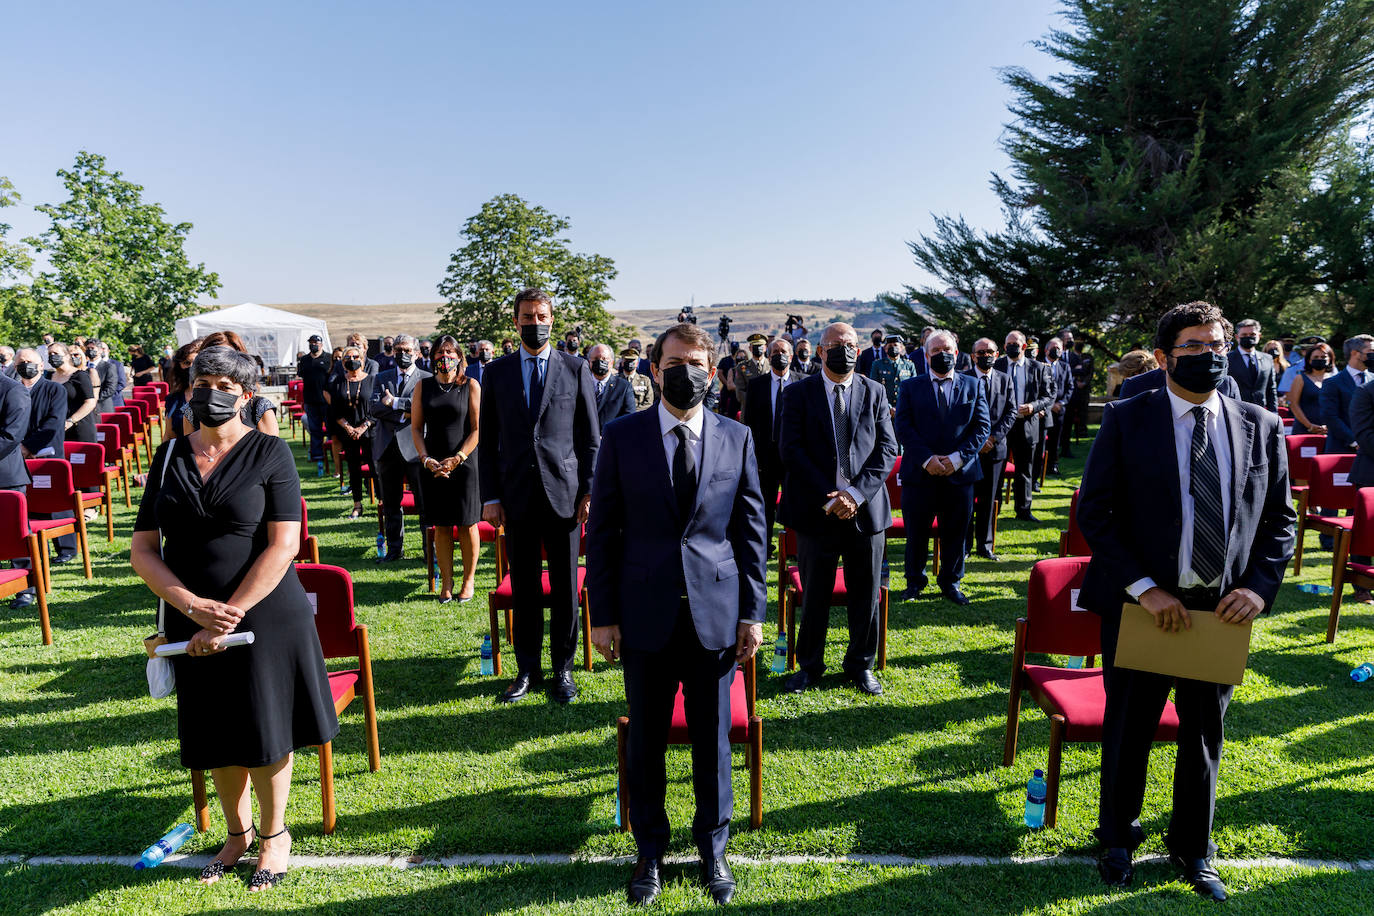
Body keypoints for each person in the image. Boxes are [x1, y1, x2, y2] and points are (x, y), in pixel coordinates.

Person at [1077, 301, 1295, 902]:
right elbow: (1095, 512)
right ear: (1167, 355)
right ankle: (1117, 838)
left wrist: (1257, 588)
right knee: (1130, 727)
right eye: (1194, 345)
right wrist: (1146, 590)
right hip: (1144, 606)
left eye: (1217, 343)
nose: (1210, 354)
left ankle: (1192, 848)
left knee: (1204, 734)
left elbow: (1279, 519)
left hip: (1220, 610)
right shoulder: (1128, 418)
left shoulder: (1260, 423)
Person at [130, 346, 340, 893]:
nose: (209, 394)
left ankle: (275, 836)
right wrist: (191, 607)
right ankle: (237, 833)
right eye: (202, 382)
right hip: (189, 615)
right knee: (214, 726)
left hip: (263, 614)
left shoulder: (272, 452)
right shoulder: (168, 454)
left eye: (223, 385)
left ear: (246, 397)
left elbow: (284, 544)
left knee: (266, 727)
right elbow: (144, 548)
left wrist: (228, 615)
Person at [586, 321, 767, 907]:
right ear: (654, 369)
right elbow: (603, 531)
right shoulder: (622, 436)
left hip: (715, 616)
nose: (683, 373)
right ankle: (650, 852)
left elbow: (751, 531)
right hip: (643, 617)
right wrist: (602, 614)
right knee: (646, 743)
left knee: (713, 743)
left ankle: (713, 851)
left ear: (711, 372)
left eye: (695, 363)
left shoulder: (736, 437)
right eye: (673, 363)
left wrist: (753, 612)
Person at [479, 289, 600, 704]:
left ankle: (563, 669)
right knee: (525, 587)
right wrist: (491, 496)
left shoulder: (575, 367)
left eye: (542, 315)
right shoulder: (496, 373)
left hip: (565, 496)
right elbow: (488, 440)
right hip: (516, 497)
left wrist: (588, 489)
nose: (536, 322)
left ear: (553, 318)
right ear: (515, 321)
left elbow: (589, 438)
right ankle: (527, 668)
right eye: (528, 315)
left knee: (566, 588)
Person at [778, 322, 897, 696]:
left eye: (849, 344)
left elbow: (887, 450)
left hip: (865, 510)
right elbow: (791, 450)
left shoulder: (874, 391)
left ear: (858, 350)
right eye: (834, 344)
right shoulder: (797, 394)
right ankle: (809, 665)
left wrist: (855, 495)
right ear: (819, 350)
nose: (842, 350)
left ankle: (860, 665)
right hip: (818, 510)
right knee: (815, 593)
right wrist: (831, 496)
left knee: (867, 592)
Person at [894, 330, 990, 605]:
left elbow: (982, 426)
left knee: (956, 532)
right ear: (926, 356)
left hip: (960, 475)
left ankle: (951, 581)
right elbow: (903, 426)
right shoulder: (910, 387)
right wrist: (928, 460)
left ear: (957, 353)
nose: (942, 355)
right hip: (920, 474)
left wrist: (957, 459)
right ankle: (915, 582)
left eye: (947, 349)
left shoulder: (973, 385)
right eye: (936, 351)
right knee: (916, 532)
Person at [410, 336, 481, 603]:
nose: (444, 357)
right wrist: (426, 458)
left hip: (464, 462)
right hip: (433, 464)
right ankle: (447, 583)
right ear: (432, 358)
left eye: (450, 352)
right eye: (440, 352)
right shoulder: (423, 387)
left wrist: (458, 457)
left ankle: (468, 580)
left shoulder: (471, 385)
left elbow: (477, 429)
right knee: (441, 525)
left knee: (466, 523)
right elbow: (416, 428)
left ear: (460, 357)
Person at [368, 335, 431, 560]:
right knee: (391, 504)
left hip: (416, 450)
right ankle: (395, 550)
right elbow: (374, 408)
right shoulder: (382, 377)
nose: (401, 354)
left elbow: (425, 408)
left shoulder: (426, 378)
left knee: (424, 504)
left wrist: (394, 402)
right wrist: (407, 412)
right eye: (397, 350)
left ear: (415, 352)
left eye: (406, 350)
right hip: (387, 449)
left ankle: (428, 550)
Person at [742, 336, 804, 547]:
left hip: (796, 456)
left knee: (796, 502)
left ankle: (794, 547)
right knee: (764, 505)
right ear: (768, 357)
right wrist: (752, 456)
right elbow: (748, 423)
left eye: (783, 352)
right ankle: (764, 546)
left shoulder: (803, 382)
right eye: (775, 353)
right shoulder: (756, 385)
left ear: (792, 355)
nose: (780, 356)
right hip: (766, 457)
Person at [965, 339, 1016, 561]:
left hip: (995, 450)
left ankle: (985, 545)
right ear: (973, 355)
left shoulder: (1005, 379)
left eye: (990, 352)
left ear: (997, 355)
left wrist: (993, 438)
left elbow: (1011, 412)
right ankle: (964, 545)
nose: (986, 355)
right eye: (981, 352)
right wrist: (976, 442)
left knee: (989, 499)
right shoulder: (963, 378)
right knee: (966, 499)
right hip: (968, 452)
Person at [994, 331, 1054, 522]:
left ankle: (1023, 510)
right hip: (1001, 425)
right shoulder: (997, 365)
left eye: (1016, 343)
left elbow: (1047, 396)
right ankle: (993, 509)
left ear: (1024, 347)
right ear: (1004, 347)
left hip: (1026, 424)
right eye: (1008, 343)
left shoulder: (1038, 368)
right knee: (997, 469)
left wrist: (1032, 406)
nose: (1012, 346)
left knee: (1024, 469)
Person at [199, 332, 280, 437]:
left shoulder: (259, 407)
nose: (219, 363)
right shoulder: (192, 410)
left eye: (228, 357)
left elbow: (271, 448)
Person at [326, 345, 375, 519]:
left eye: (355, 357)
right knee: (353, 468)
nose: (352, 360)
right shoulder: (338, 381)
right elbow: (334, 410)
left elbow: (377, 409)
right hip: (348, 432)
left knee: (374, 466)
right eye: (347, 358)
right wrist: (348, 427)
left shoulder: (372, 380)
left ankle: (382, 502)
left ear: (362, 359)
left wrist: (363, 427)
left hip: (369, 431)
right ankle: (357, 505)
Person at [1319, 334, 1373, 453]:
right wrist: (1355, 441)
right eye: (1370, 351)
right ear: (1355, 353)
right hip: (1342, 449)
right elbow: (1330, 417)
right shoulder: (1332, 383)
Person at [46, 343, 98, 445]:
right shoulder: (48, 376)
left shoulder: (80, 376)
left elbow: (90, 402)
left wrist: (70, 421)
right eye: (50, 354)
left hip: (79, 427)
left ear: (66, 356)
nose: (52, 356)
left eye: (55, 353)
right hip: (55, 428)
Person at [1118, 358, 1240, 401]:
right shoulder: (1134, 385)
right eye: (1193, 346)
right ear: (1162, 357)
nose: (1207, 352)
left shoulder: (1227, 384)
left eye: (1216, 345)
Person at [1225, 319, 1278, 412]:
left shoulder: (1267, 359)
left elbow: (1271, 389)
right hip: (1234, 411)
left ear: (1259, 336)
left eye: (1252, 334)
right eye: (1244, 335)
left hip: (1261, 412)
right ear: (1237, 337)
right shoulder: (1227, 358)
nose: (1248, 337)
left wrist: (1274, 412)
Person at [296, 335, 332, 466]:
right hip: (310, 401)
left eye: (315, 342)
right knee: (315, 430)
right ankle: (317, 455)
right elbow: (300, 375)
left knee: (330, 429)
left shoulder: (329, 358)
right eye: (311, 343)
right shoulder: (304, 360)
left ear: (321, 344)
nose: (313, 345)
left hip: (326, 401)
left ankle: (333, 454)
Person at [1041, 337, 1075, 477]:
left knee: (1056, 441)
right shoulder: (1039, 365)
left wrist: (1060, 403)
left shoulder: (1065, 366)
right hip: (1043, 411)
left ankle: (1053, 466)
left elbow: (1070, 387)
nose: (1056, 351)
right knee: (1041, 442)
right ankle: (1039, 467)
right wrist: (1049, 405)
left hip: (1059, 410)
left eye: (1058, 349)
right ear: (1046, 350)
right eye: (1053, 348)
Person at [1286, 342, 1333, 435]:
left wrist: (1329, 426)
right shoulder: (1300, 378)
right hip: (1304, 429)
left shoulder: (1335, 379)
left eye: (1323, 357)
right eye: (1316, 357)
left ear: (1330, 359)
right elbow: (1294, 405)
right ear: (1309, 360)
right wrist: (1309, 425)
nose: (1319, 359)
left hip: (1329, 430)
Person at [587, 344, 635, 428]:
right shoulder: (580, 384)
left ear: (612, 362)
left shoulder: (623, 387)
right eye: (596, 359)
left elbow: (629, 418)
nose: (600, 362)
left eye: (604, 359)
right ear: (589, 362)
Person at [868, 336, 917, 417]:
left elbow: (914, 390)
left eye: (895, 345)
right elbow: (874, 388)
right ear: (885, 349)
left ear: (901, 348)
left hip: (905, 410)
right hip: (884, 410)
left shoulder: (909, 365)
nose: (893, 348)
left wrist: (901, 407)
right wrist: (889, 407)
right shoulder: (877, 365)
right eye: (890, 346)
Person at [163, 341, 200, 441]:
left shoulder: (213, 397)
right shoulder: (174, 399)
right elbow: (169, 434)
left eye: (196, 362)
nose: (192, 367)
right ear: (179, 366)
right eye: (187, 363)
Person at [731, 334, 768, 416]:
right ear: (750, 348)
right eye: (754, 346)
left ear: (765, 347)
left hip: (769, 409)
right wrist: (754, 400)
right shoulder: (742, 367)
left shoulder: (771, 365)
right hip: (750, 410)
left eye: (760, 345)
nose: (758, 348)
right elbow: (740, 391)